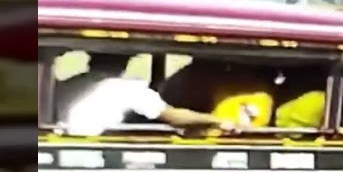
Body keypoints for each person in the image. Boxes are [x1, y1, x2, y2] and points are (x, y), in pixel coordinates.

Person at [56, 53, 238, 136]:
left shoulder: (69, 84)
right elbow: (173, 117)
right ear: (126, 60)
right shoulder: (126, 89)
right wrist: (217, 121)